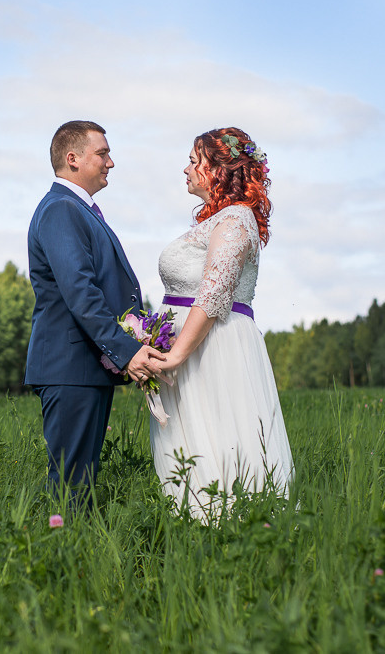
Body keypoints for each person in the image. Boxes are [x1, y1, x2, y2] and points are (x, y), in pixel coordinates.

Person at [152, 127, 295, 520]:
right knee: (193, 445)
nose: (186, 169)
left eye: (195, 161)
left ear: (221, 169)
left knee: (222, 438)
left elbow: (215, 289)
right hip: (196, 348)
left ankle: (234, 531)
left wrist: (174, 355)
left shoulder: (235, 219)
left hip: (214, 349)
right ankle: (195, 528)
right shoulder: (218, 220)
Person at [25, 120, 165, 510]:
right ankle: (62, 562)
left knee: (80, 483)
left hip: (82, 369)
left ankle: (77, 559)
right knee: (71, 485)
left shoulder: (77, 209)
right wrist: (127, 350)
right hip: (69, 368)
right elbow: (80, 292)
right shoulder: (61, 210)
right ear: (72, 159)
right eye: (102, 154)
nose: (111, 162)